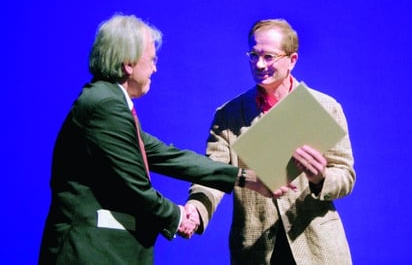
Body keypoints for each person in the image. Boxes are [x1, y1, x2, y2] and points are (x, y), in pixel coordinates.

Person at [38, 14, 277, 265]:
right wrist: (177, 217)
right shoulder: (104, 105)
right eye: (151, 60)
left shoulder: (109, 101)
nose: (155, 68)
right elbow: (135, 187)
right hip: (87, 252)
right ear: (128, 64)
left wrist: (243, 177)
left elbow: (167, 156)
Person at [185, 19, 356, 265]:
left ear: (292, 60)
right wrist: (196, 210)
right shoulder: (229, 115)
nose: (259, 64)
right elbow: (213, 174)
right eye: (253, 55)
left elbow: (346, 175)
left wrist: (321, 178)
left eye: (269, 56)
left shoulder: (325, 108)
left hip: (317, 248)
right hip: (255, 252)